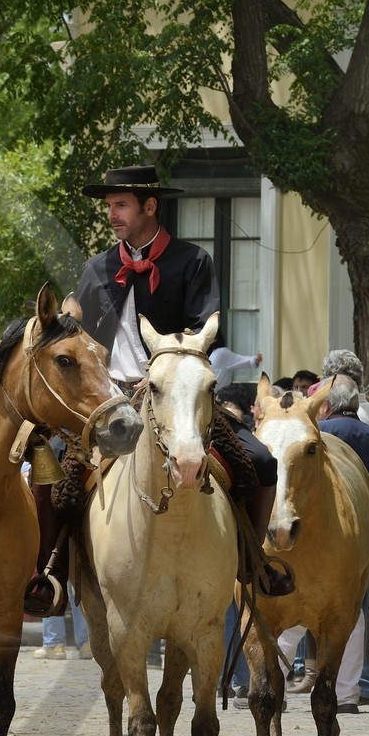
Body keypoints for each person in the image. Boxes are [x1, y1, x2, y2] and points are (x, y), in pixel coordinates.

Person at [43, 163, 289, 615]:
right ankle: (50, 573)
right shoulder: (97, 268)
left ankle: (253, 563)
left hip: (175, 397)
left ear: (149, 206)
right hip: (108, 402)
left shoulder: (193, 261)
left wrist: (163, 374)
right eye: (110, 206)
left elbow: (203, 332)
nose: (111, 214)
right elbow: (85, 342)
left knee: (260, 460)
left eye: (120, 205)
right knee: (52, 473)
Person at [318, 376, 369, 708]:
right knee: (367, 613)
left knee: (298, 615)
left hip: (325, 539)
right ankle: (355, 689)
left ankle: (275, 677)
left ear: (327, 404)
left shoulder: (319, 433)